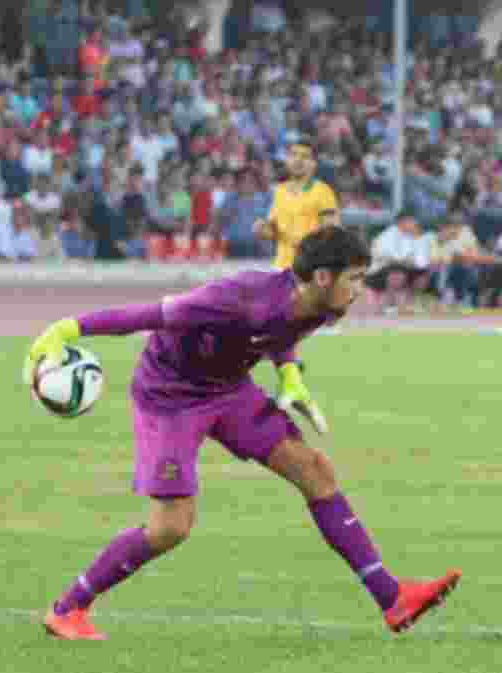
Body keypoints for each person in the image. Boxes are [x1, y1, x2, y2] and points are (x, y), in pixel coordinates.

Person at [23, 227, 461, 641]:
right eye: (355, 278)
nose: (360, 289)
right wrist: (65, 329)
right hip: (171, 396)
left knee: (315, 470)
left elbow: (280, 332)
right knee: (170, 527)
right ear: (322, 277)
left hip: (229, 390)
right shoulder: (237, 297)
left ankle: (393, 598)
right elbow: (148, 315)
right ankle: (68, 608)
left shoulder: (321, 304)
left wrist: (290, 374)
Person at [254, 134, 340, 270]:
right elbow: (274, 231)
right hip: (281, 268)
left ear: (314, 164)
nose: (298, 160)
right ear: (287, 160)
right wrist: (262, 229)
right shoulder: (279, 191)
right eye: (293, 155)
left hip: (310, 269)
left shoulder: (323, 192)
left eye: (305, 156)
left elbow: (332, 233)